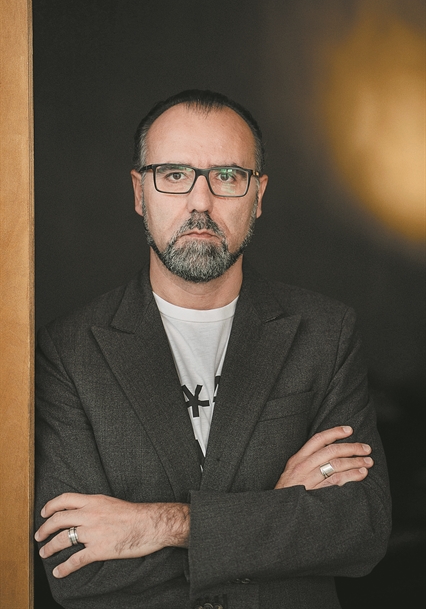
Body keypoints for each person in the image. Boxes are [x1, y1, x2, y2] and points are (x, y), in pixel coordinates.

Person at [34, 89, 391, 609]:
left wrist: (158, 525)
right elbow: (75, 569)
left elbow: (360, 529)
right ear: (139, 192)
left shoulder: (325, 332)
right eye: (174, 174)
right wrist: (276, 510)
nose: (200, 202)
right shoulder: (69, 351)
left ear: (258, 195)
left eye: (227, 176)